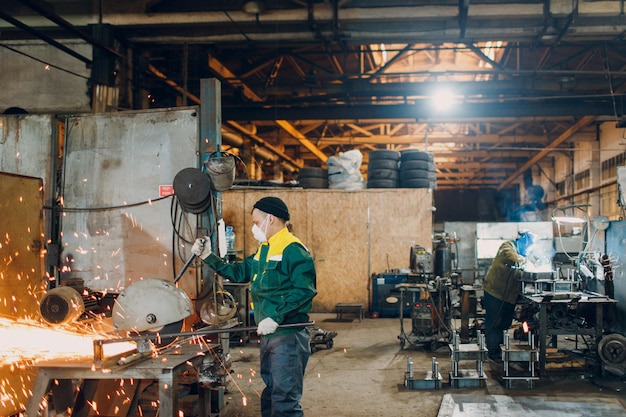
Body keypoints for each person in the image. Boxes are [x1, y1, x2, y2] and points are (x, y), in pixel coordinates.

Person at [192, 196, 317, 417]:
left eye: (257, 222)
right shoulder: (265, 249)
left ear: (271, 218)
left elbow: (304, 291)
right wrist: (207, 256)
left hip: (287, 335)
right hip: (269, 334)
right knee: (271, 393)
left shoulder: (293, 250)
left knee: (284, 399)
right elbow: (239, 272)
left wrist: (276, 317)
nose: (254, 228)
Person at [482, 231, 536, 361]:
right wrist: (528, 262)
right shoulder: (507, 247)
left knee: (504, 323)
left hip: (508, 296)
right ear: (522, 241)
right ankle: (493, 352)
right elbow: (512, 258)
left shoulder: (521, 254)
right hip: (495, 293)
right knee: (495, 323)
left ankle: (499, 349)